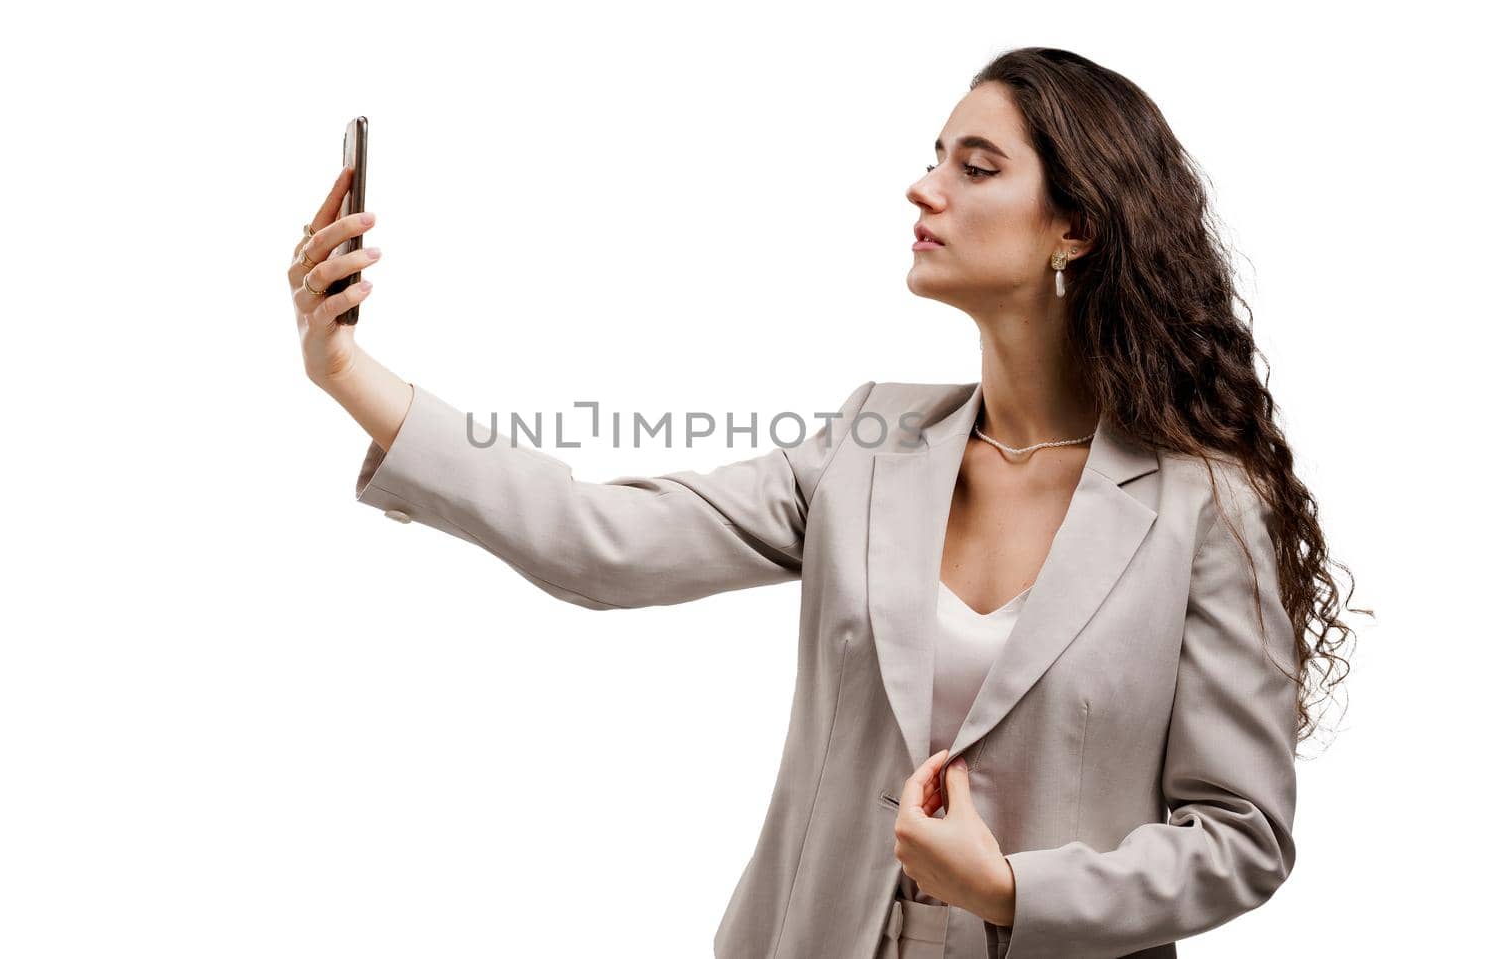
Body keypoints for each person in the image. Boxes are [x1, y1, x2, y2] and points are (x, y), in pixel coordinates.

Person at [285, 46, 1359, 959]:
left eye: (975, 166)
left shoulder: (1204, 505)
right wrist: (347, 373)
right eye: (934, 157)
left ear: (1072, 227)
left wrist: (1013, 890)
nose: (924, 187)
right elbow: (600, 542)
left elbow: (1240, 834)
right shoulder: (870, 443)